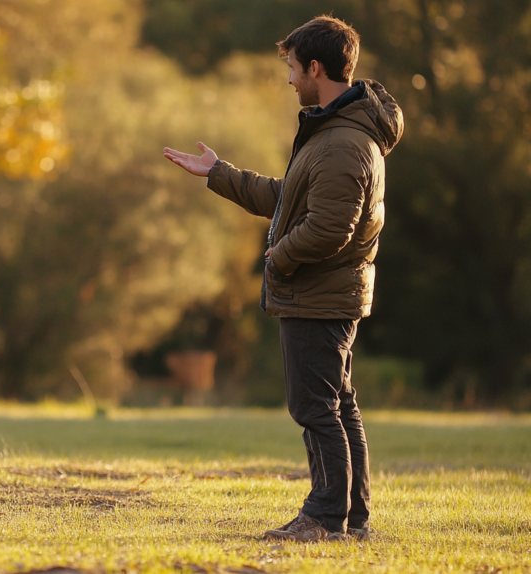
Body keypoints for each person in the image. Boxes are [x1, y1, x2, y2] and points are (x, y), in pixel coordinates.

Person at [163, 15, 403, 542]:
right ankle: (352, 518)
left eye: (293, 68)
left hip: (318, 294)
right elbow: (287, 201)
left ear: (316, 67)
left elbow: (326, 228)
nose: (290, 79)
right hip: (327, 292)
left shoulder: (342, 142)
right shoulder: (336, 132)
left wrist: (277, 257)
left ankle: (324, 518)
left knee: (315, 407)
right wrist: (219, 173)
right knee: (337, 404)